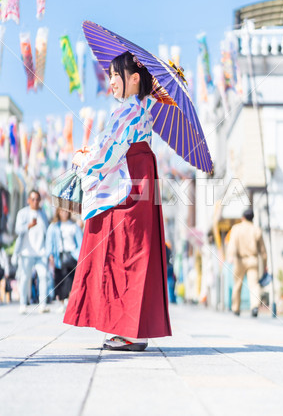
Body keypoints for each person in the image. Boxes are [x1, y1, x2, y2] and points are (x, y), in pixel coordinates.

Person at [63, 51, 172, 351]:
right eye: (110, 75)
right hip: (139, 180)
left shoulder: (127, 112)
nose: (110, 81)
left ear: (135, 79)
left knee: (123, 252)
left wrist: (84, 161)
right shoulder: (142, 111)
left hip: (126, 186)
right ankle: (134, 329)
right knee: (135, 252)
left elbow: (109, 150)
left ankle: (129, 331)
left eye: (115, 75)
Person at [227, 208, 267, 317]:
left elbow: (232, 244)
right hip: (253, 260)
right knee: (254, 285)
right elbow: (263, 251)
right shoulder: (256, 230)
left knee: (237, 284)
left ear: (242, 218)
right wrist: (265, 264)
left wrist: (230, 256)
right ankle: (254, 306)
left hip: (239, 260)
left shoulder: (236, 228)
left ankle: (236, 308)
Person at [14, 190, 49, 314]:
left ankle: (43, 304)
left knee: (44, 277)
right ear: (28, 200)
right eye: (33, 199)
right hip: (26, 252)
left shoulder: (43, 214)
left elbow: (47, 232)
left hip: (41, 252)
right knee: (24, 278)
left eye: (37, 199)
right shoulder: (23, 213)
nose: (35, 202)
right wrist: (29, 225)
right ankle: (23, 303)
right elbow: (17, 230)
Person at [46, 209, 83, 313]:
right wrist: (50, 255)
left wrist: (79, 255)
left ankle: (69, 301)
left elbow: (80, 242)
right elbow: (49, 241)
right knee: (59, 279)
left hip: (72, 255)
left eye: (66, 211)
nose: (64, 213)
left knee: (70, 280)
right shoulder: (54, 226)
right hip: (59, 256)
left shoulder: (74, 226)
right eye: (62, 211)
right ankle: (61, 302)